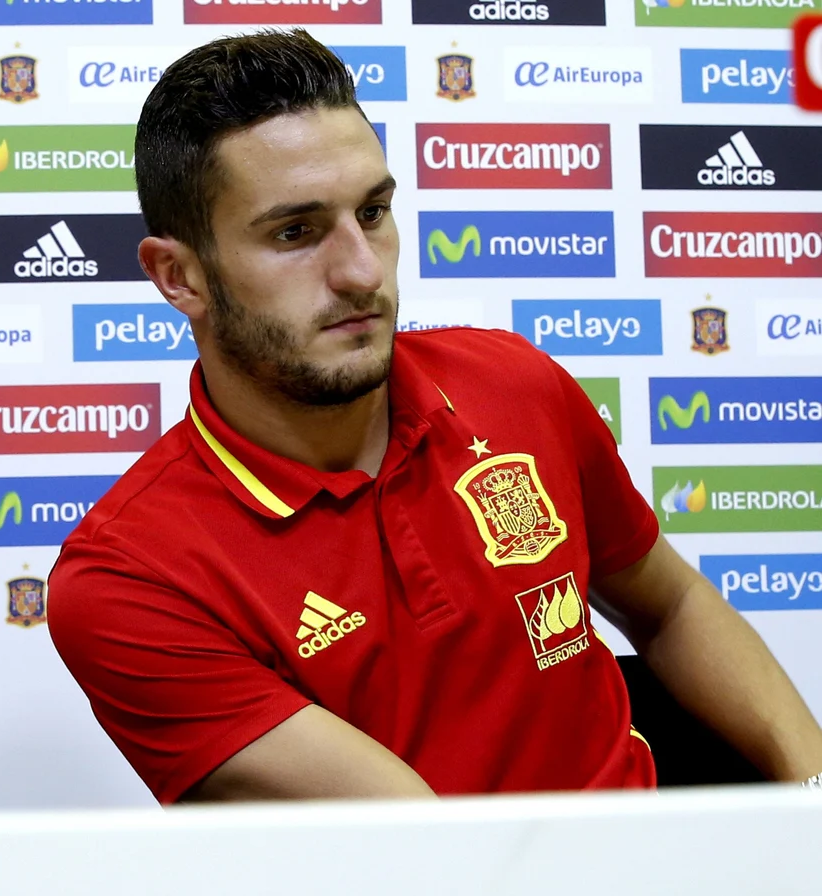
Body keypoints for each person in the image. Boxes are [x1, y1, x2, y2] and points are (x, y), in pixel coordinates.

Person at [48, 30, 822, 802]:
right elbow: (430, 847)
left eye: (374, 211)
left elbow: (673, 605)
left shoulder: (514, 382)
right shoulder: (129, 580)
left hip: (669, 866)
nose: (360, 270)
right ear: (179, 276)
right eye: (295, 231)